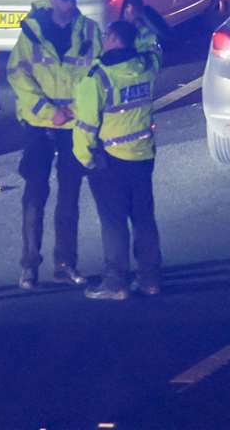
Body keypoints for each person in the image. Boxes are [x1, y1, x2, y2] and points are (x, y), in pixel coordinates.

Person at [7, 0, 103, 290]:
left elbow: (99, 74)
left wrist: (76, 110)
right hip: (39, 127)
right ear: (52, 0)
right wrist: (51, 112)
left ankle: (66, 264)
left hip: (73, 126)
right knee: (34, 197)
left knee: (69, 197)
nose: (70, 4)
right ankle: (29, 266)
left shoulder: (89, 30)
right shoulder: (31, 33)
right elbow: (19, 78)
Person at [73, 19, 162, 300]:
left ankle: (116, 282)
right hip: (143, 154)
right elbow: (153, 43)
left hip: (109, 160)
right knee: (144, 218)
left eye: (106, 35)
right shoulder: (147, 66)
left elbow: (85, 125)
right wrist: (139, 20)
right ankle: (150, 279)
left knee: (113, 222)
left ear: (111, 38)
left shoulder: (97, 78)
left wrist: (85, 159)